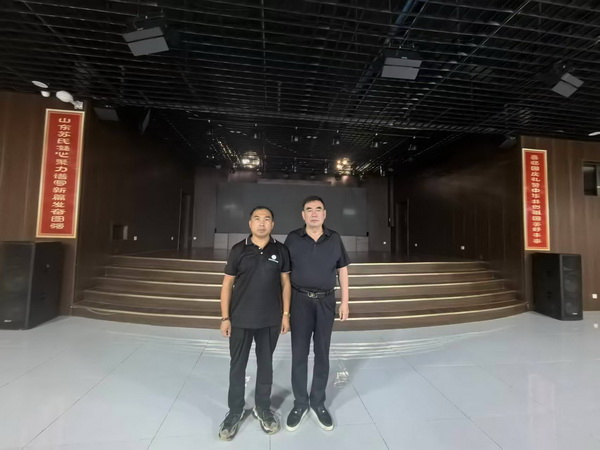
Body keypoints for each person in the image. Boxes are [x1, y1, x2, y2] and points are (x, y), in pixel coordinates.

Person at [217, 206, 291, 440]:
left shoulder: (281, 250)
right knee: (237, 366)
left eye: (266, 219)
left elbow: (286, 283)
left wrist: (285, 314)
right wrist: (225, 317)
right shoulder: (238, 249)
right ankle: (235, 411)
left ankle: (263, 407)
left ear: (272, 224)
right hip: (240, 319)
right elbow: (227, 284)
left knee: (265, 365)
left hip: (270, 320)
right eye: (257, 219)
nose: (261, 223)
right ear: (250, 224)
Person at [284, 196, 350, 432]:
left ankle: (318, 402)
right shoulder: (293, 238)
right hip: (299, 302)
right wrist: (285, 310)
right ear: (303, 215)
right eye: (309, 210)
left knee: (322, 352)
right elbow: (284, 275)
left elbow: (342, 270)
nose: (314, 213)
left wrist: (345, 302)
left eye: (318, 209)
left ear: (324, 214)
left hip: (326, 302)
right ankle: (300, 403)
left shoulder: (334, 238)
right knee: (299, 353)